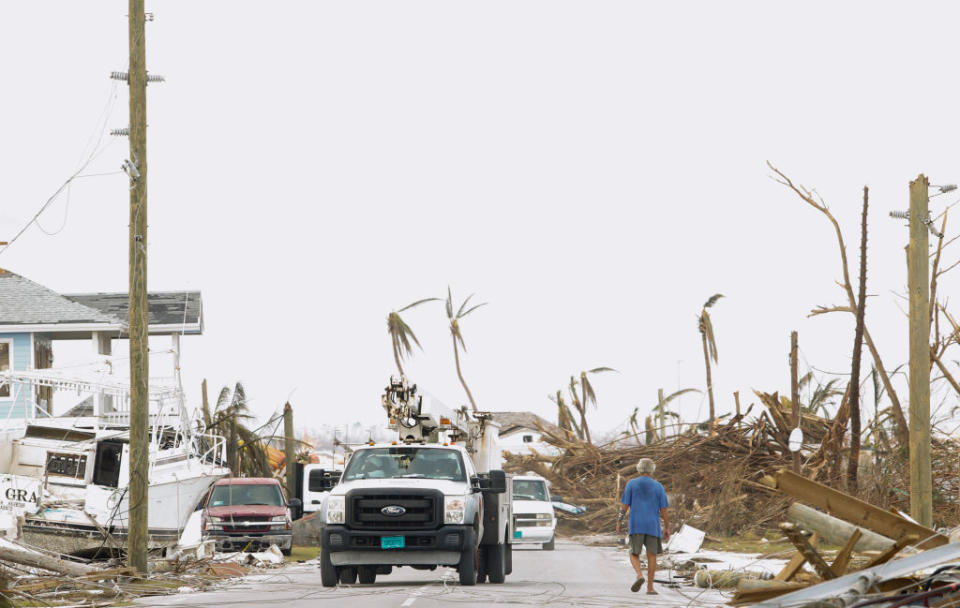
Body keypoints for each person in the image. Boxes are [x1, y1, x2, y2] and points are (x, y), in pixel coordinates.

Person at [617, 457, 669, 594]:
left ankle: (640, 575)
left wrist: (619, 520)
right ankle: (650, 588)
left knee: (634, 553)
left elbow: (624, 505)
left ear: (639, 468)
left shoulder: (631, 484)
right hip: (653, 525)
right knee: (652, 556)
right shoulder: (658, 486)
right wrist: (667, 527)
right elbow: (664, 509)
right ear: (652, 469)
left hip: (636, 524)